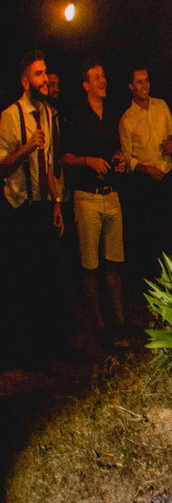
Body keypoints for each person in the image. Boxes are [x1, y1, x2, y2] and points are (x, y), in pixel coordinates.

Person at [0, 51, 67, 362]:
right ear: (25, 81)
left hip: (43, 204)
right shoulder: (11, 115)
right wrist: (27, 147)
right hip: (20, 207)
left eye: (45, 73)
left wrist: (56, 204)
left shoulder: (48, 115)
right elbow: (2, 164)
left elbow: (50, 163)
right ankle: (35, 352)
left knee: (53, 277)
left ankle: (58, 345)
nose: (44, 79)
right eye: (38, 74)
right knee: (29, 279)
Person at [61, 59, 129, 344]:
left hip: (111, 195)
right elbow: (64, 157)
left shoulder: (113, 116)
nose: (103, 81)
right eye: (96, 77)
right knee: (90, 264)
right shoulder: (77, 118)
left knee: (114, 260)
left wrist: (120, 159)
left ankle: (120, 320)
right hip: (87, 198)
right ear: (86, 85)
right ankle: (98, 323)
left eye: (103, 76)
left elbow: (117, 150)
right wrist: (87, 160)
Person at [119, 66, 172, 272]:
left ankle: (171, 275)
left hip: (166, 173)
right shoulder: (127, 119)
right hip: (145, 182)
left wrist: (171, 142)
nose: (144, 86)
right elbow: (127, 159)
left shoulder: (161, 105)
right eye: (139, 82)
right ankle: (152, 278)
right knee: (149, 232)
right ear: (130, 86)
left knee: (168, 229)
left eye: (146, 80)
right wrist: (147, 169)